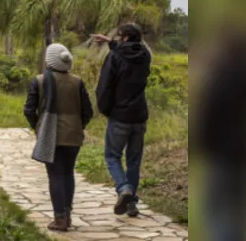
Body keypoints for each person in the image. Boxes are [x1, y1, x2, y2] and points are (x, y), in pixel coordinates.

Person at [195, 31, 246, 241]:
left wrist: (201, 144)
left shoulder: (221, 76)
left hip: (222, 151)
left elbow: (209, 112)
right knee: (239, 209)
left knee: (214, 207)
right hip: (245, 149)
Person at [23, 43, 94, 232]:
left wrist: (38, 126)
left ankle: (60, 219)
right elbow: (88, 111)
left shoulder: (39, 81)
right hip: (73, 136)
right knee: (68, 173)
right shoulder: (77, 82)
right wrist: (78, 126)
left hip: (50, 134)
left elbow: (29, 110)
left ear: (49, 60)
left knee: (55, 175)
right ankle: (67, 215)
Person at [91, 23, 151, 217]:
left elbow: (106, 85)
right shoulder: (145, 56)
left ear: (124, 37)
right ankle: (131, 204)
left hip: (120, 115)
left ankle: (124, 188)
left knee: (112, 156)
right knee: (134, 161)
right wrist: (111, 42)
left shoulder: (115, 57)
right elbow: (128, 53)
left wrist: (105, 109)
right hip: (139, 115)